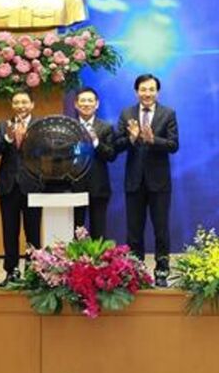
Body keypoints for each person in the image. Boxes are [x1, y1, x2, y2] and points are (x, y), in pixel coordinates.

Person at [116, 73, 179, 287]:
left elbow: (173, 145)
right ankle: (135, 270)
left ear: (157, 92)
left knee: (161, 229)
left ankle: (161, 271)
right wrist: (132, 138)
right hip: (134, 181)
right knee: (134, 230)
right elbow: (117, 145)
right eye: (143, 89)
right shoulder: (127, 113)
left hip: (159, 182)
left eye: (151, 89)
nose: (147, 93)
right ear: (136, 92)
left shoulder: (168, 113)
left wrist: (154, 140)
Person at [0, 88, 42, 287]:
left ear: (32, 104)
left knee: (33, 232)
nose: (20, 106)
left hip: (33, 185)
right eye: (16, 102)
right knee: (9, 231)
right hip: (8, 186)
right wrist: (7, 138)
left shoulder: (40, 125)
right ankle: (11, 272)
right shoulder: (3, 126)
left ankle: (34, 272)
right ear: (12, 105)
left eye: (24, 102)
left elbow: (48, 151)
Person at [71, 87, 117, 240]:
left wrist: (96, 141)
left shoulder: (106, 127)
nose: (86, 104)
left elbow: (111, 155)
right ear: (76, 104)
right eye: (83, 100)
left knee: (98, 231)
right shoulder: (68, 126)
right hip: (74, 186)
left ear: (97, 104)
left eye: (90, 100)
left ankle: (97, 256)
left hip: (98, 186)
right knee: (75, 231)